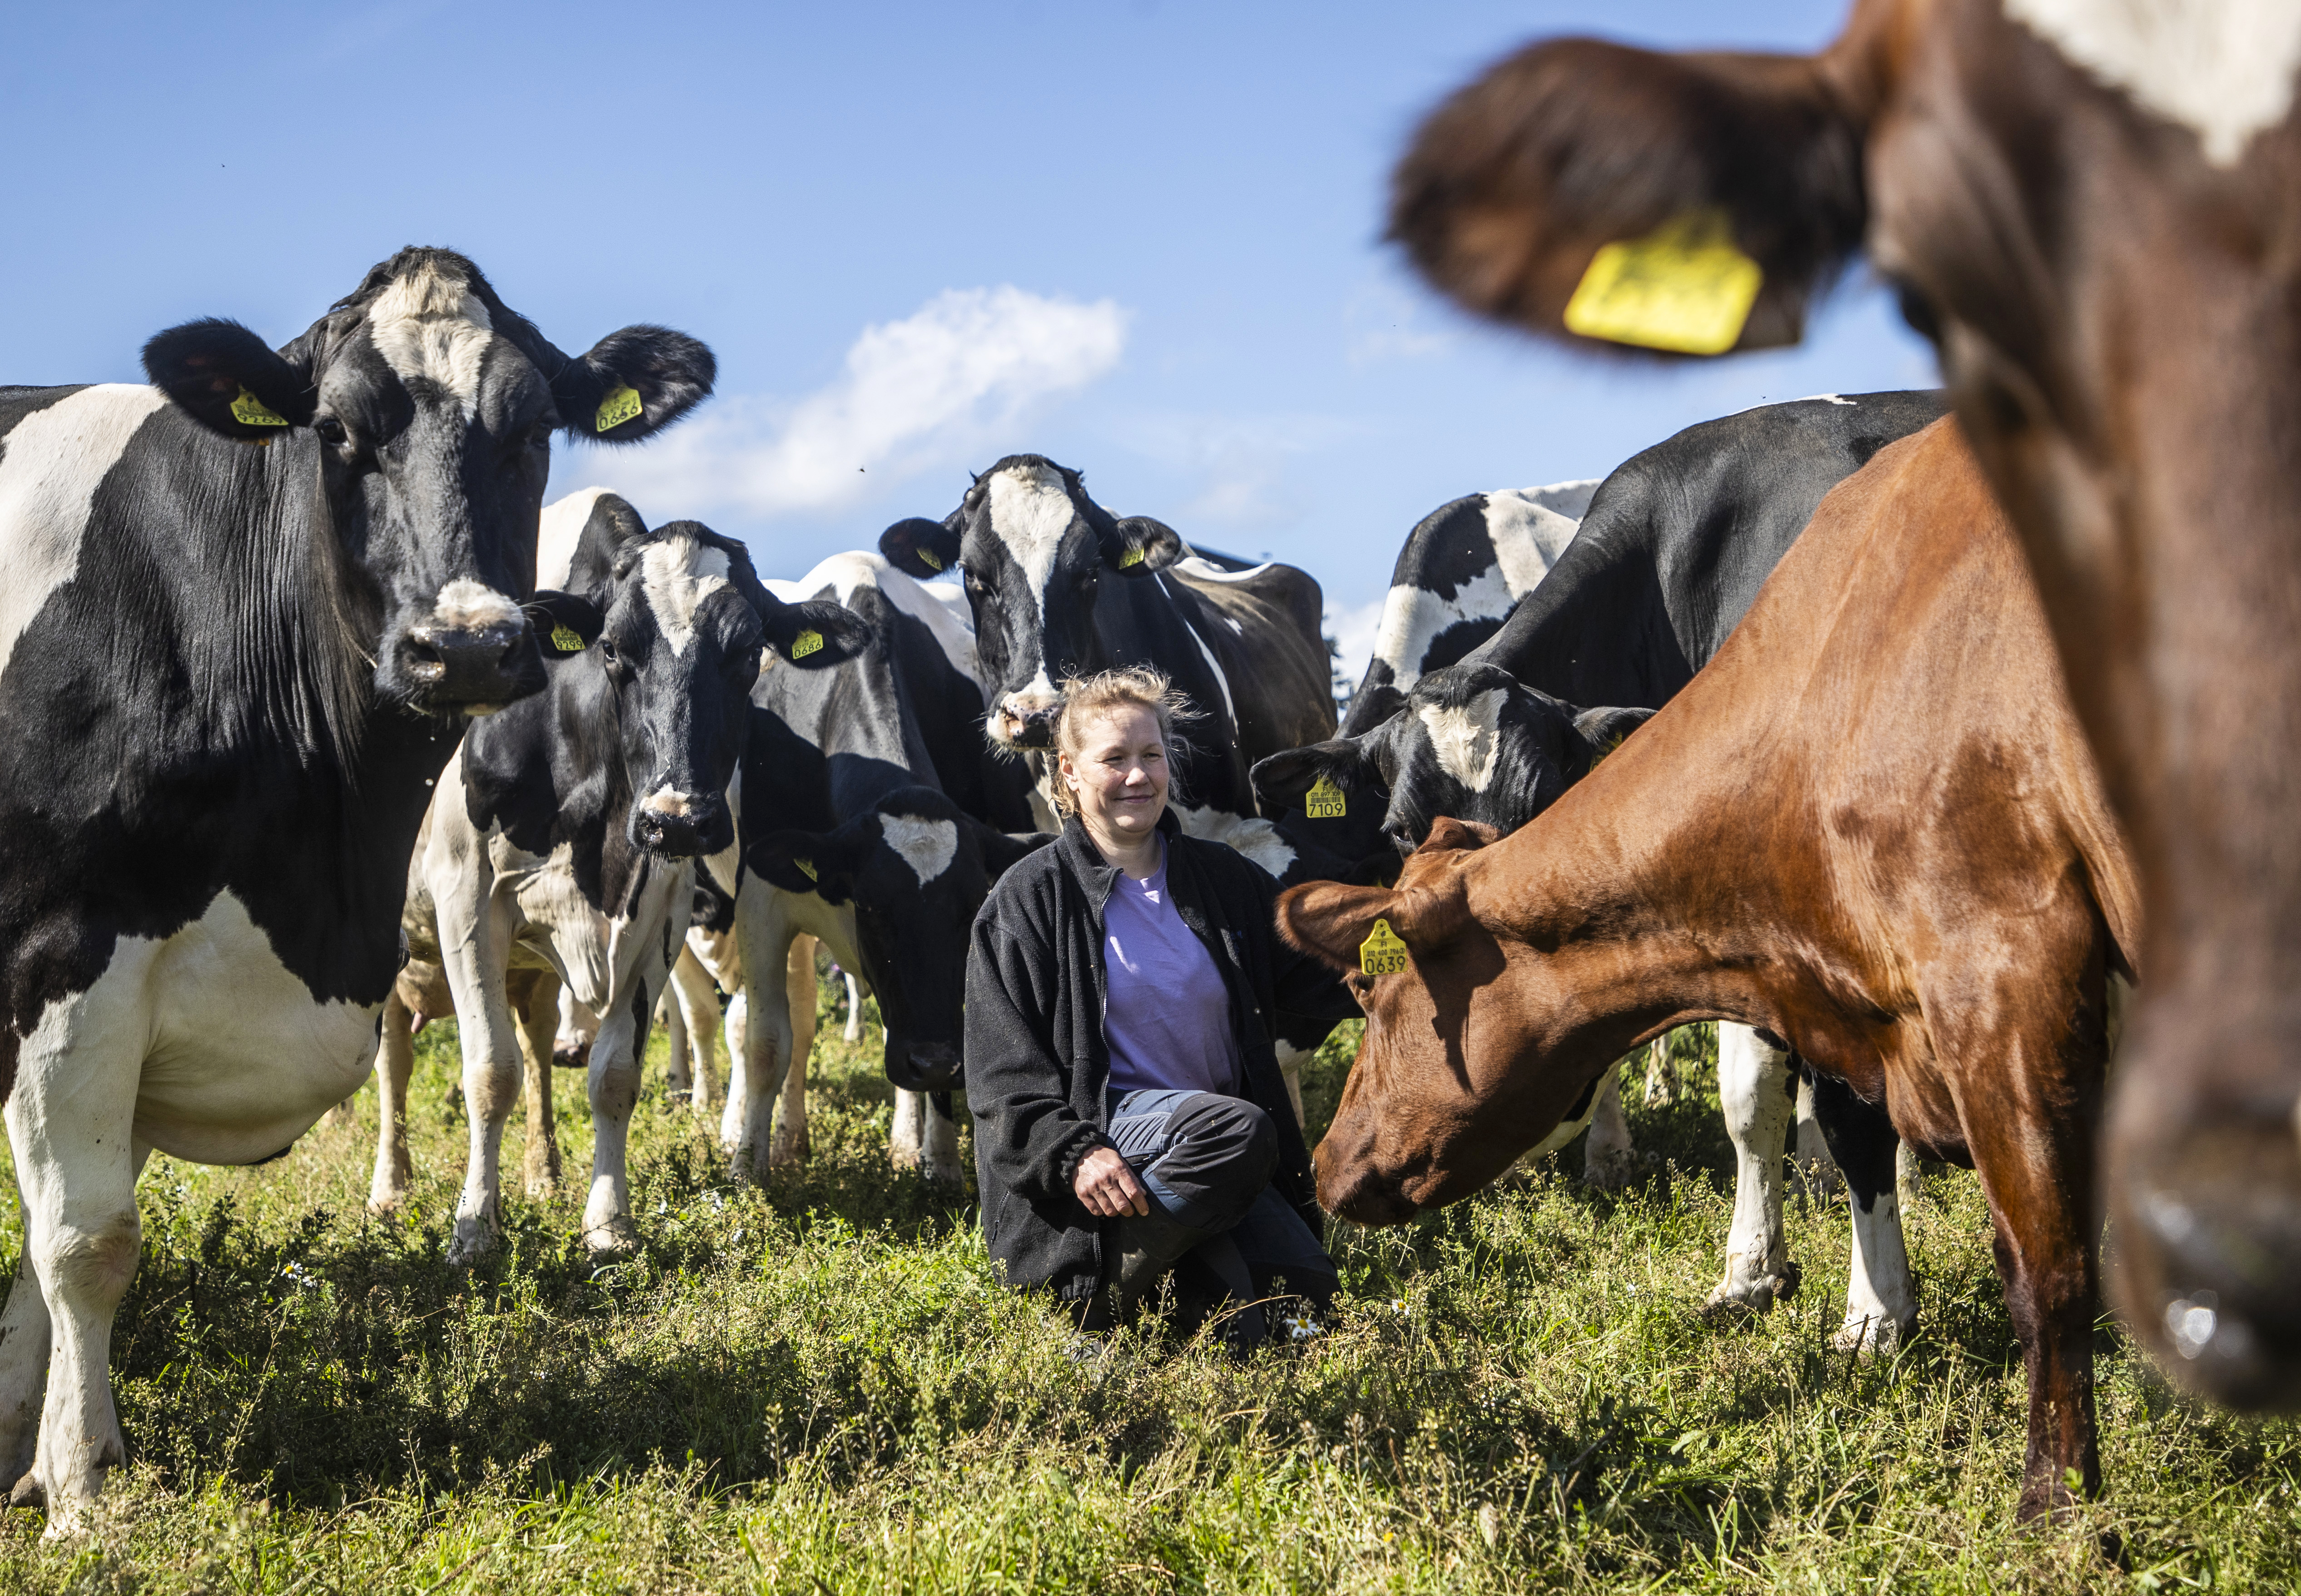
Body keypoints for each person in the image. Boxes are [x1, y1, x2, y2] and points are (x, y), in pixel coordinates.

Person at [964, 666, 1357, 1350]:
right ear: (1070, 773)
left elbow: (1315, 970)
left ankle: (1178, 1289)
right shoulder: (1026, 899)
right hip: (1107, 1144)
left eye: (1150, 755)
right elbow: (1001, 1080)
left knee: (1310, 1313)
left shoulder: (1220, 877)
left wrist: (1405, 953)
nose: (1137, 776)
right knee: (1236, 1132)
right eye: (1113, 759)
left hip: (1204, 1154)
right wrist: (1075, 1152)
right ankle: (1092, 1301)